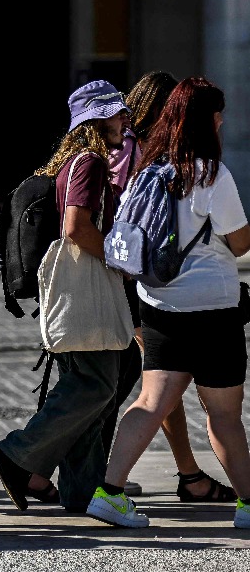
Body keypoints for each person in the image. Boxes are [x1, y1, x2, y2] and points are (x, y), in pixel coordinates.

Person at [87, 77, 250, 529]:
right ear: (204, 120)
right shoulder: (210, 173)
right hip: (213, 311)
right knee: (223, 416)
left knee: (150, 402)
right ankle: (248, 506)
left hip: (158, 305)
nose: (221, 121)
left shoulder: (145, 174)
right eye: (217, 113)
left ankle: (110, 492)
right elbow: (239, 244)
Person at [0, 80, 135, 513]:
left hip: (79, 287)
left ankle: (81, 488)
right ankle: (18, 454)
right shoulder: (88, 162)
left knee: (98, 385)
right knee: (96, 384)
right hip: (87, 285)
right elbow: (75, 226)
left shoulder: (73, 161)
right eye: (116, 112)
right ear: (94, 119)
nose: (124, 119)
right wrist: (116, 258)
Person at [117, 71, 235, 502]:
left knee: (154, 394)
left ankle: (171, 477)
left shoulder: (137, 158)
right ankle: (192, 477)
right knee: (214, 410)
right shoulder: (180, 165)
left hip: (145, 287)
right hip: (181, 295)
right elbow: (238, 240)